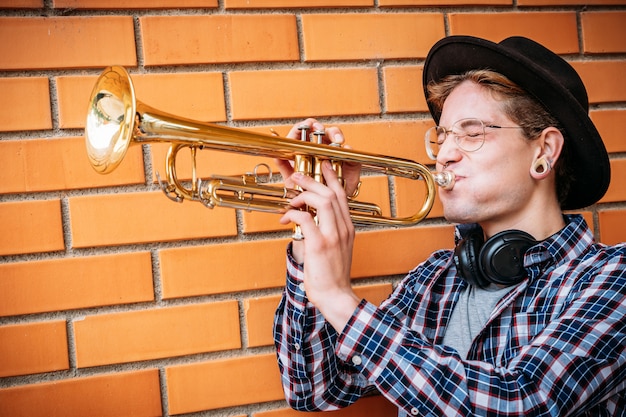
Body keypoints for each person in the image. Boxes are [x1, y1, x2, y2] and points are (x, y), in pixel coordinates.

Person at [272, 35, 626, 416]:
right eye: (442, 137)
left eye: (472, 133)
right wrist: (310, 235)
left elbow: (521, 402)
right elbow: (315, 389)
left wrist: (341, 301)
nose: (445, 156)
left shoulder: (612, 278)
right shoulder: (434, 279)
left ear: (543, 152)